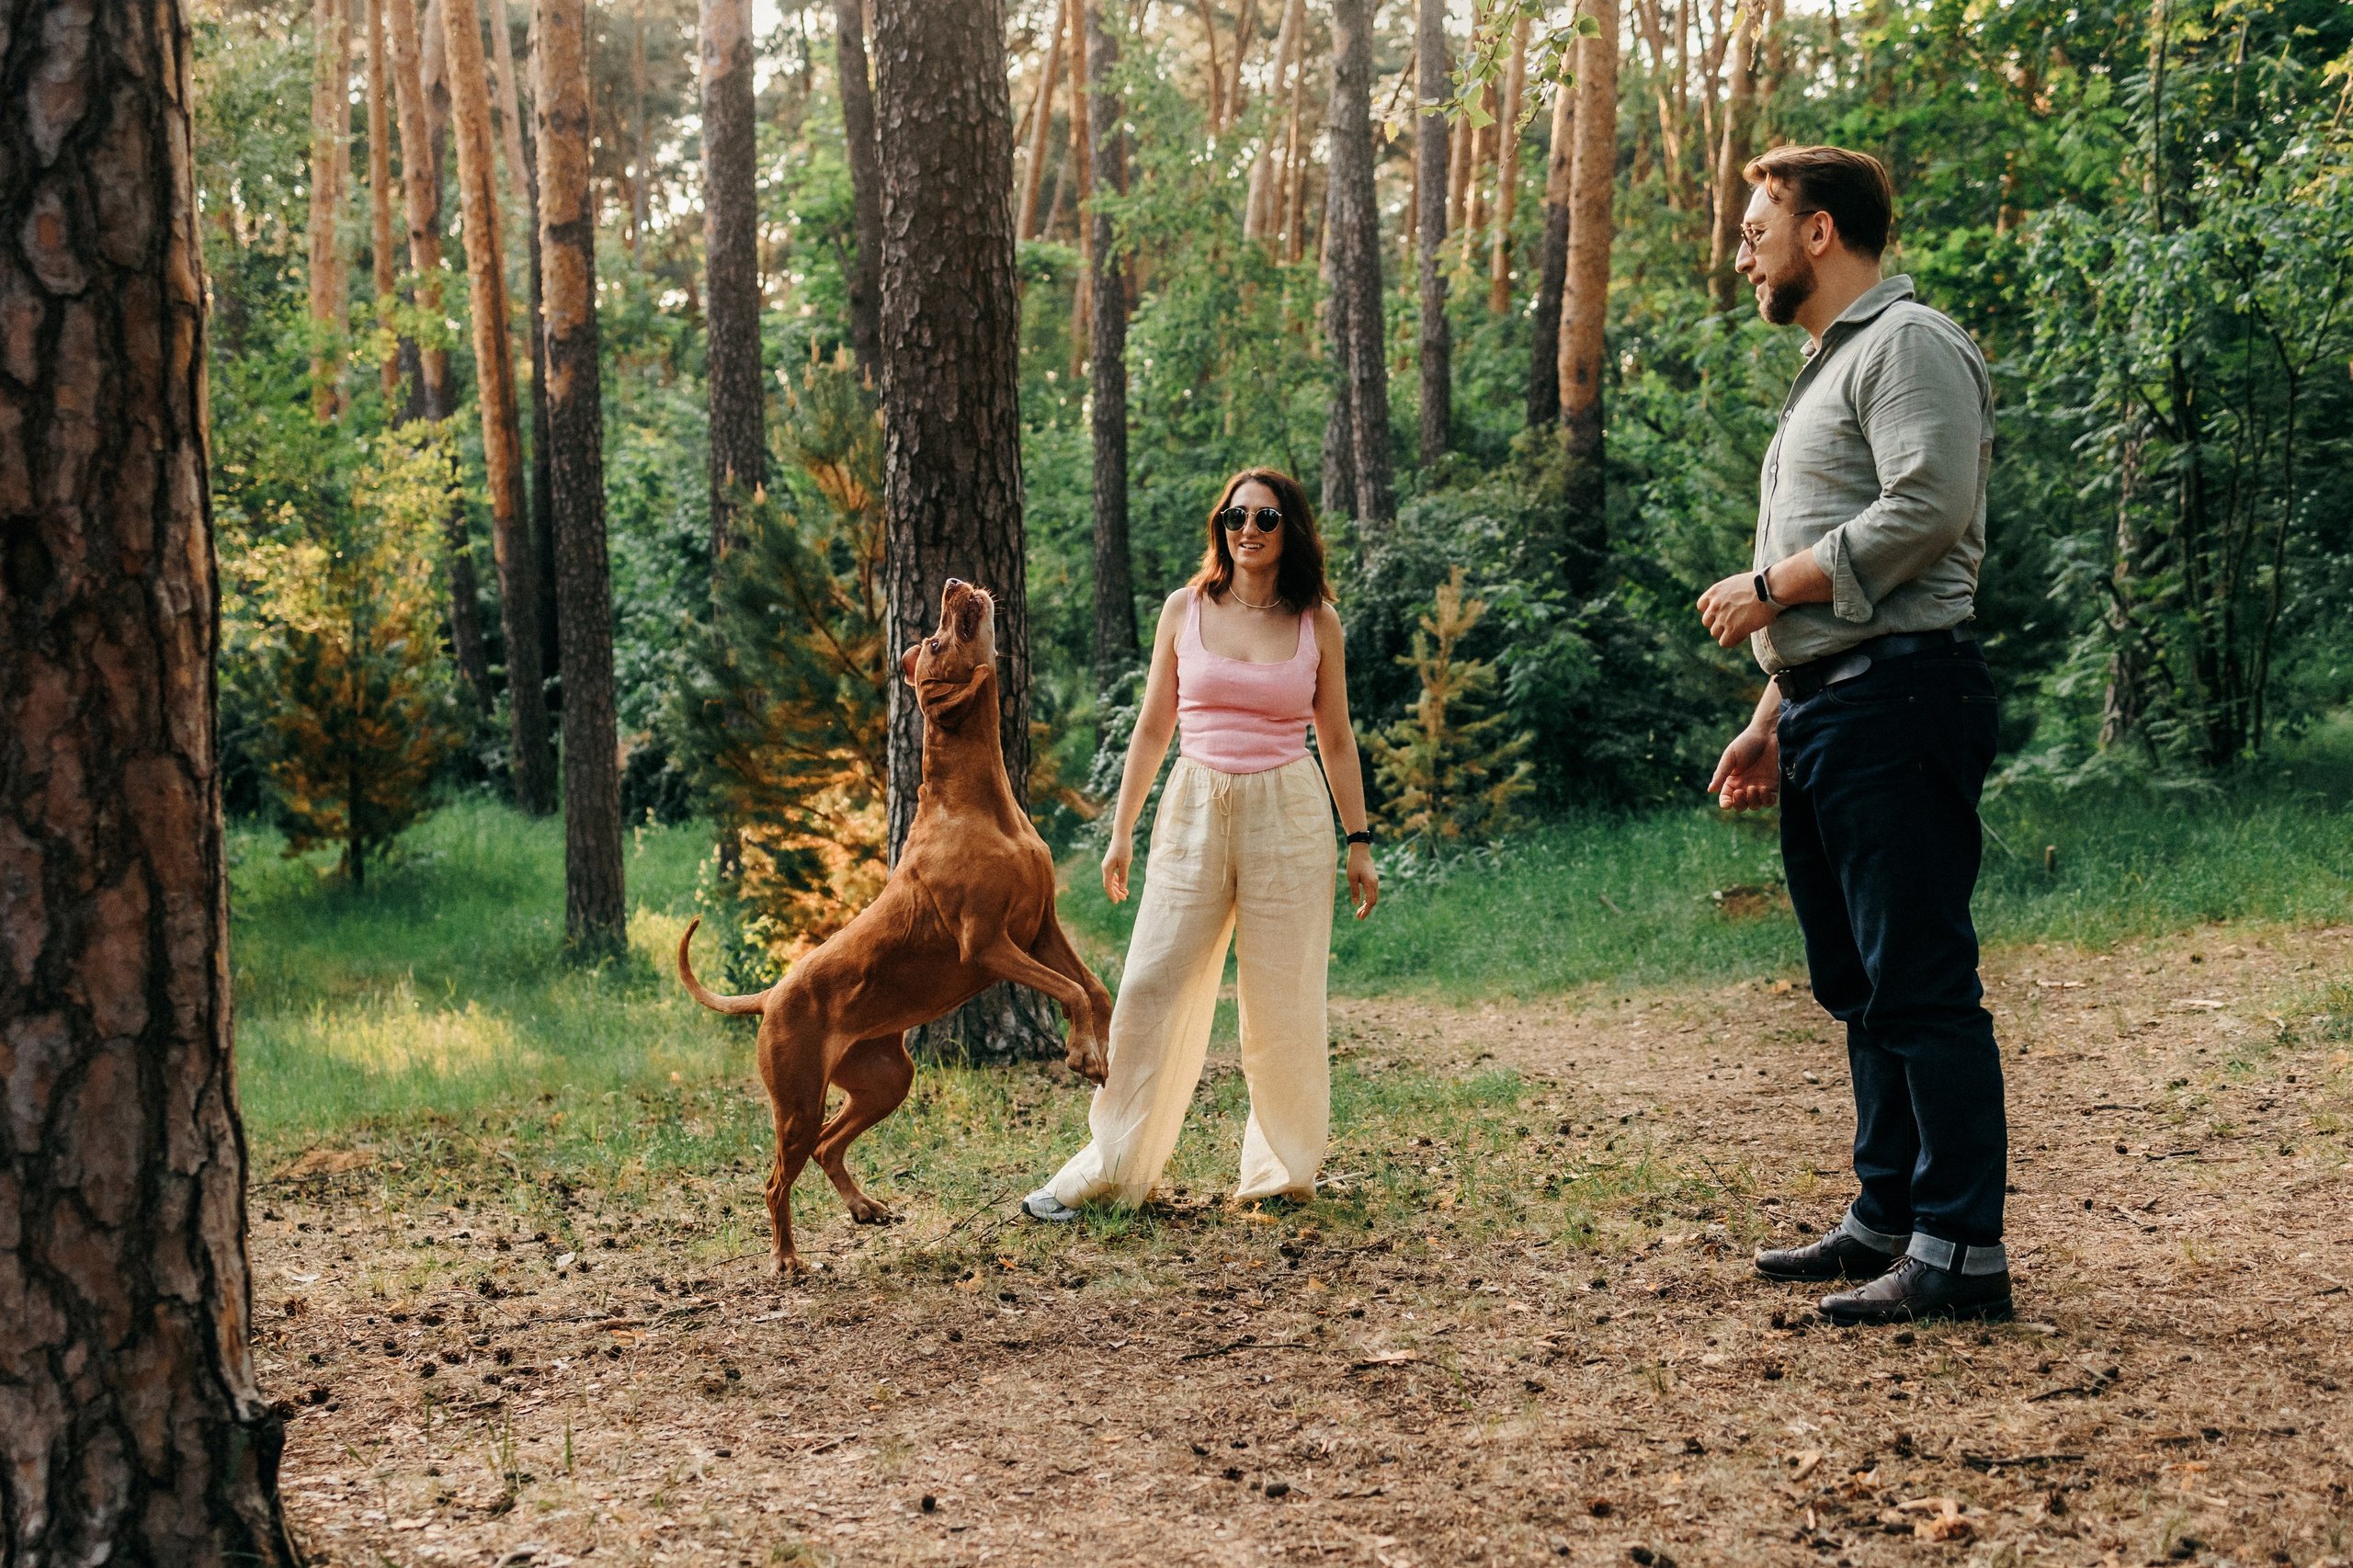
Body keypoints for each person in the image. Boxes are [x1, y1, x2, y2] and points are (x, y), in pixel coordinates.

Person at [1695, 145, 2010, 1325]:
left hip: (1905, 698)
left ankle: (1961, 1250)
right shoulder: (1829, 365)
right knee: (1859, 979)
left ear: (1818, 231)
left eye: (1754, 224)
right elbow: (1849, 562)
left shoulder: (1908, 344)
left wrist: (1770, 586)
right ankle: (1886, 1213)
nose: (1742, 247)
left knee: (1920, 978)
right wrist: (1774, 712)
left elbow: (1926, 508)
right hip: (1836, 704)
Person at [1023, 469, 1379, 1221]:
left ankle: (1282, 1173)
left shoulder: (1318, 621)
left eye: (1266, 516)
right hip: (1192, 807)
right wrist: (1121, 830)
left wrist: (1359, 840)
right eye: (1234, 515)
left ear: (1291, 529)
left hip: (1291, 809)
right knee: (1151, 984)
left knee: (1283, 1001)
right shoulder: (1185, 609)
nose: (1248, 528)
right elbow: (1153, 727)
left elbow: (1338, 738)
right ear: (1221, 525)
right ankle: (1111, 1170)